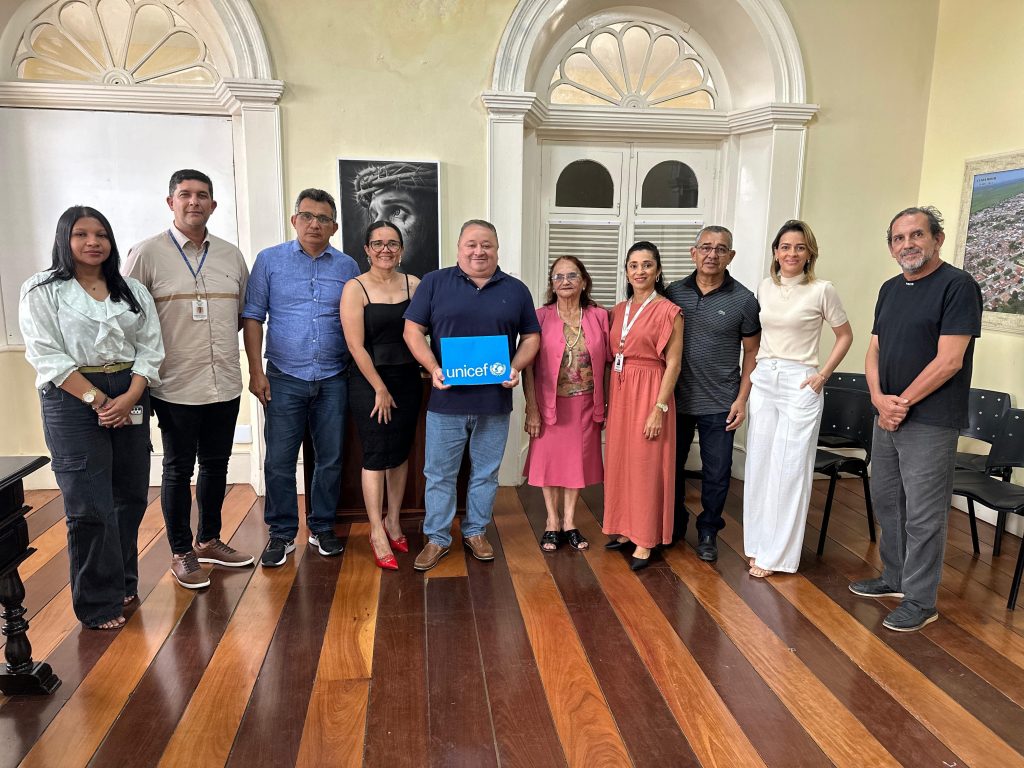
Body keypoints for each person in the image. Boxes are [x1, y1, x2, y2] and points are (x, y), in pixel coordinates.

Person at [19, 206, 163, 629]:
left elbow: (150, 347)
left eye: (101, 234)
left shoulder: (131, 289)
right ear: (64, 239)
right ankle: (98, 602)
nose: (93, 242)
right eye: (81, 234)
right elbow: (47, 354)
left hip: (130, 390)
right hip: (72, 398)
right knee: (89, 503)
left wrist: (130, 395)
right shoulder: (42, 290)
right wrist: (98, 400)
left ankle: (123, 581)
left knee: (130, 494)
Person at [849, 206, 982, 632]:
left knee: (924, 513)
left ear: (937, 239)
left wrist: (899, 403)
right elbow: (874, 348)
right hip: (887, 413)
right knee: (888, 500)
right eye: (899, 238)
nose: (907, 244)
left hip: (930, 419)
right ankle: (894, 577)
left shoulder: (958, 286)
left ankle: (921, 600)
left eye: (916, 235)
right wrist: (877, 398)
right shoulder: (889, 289)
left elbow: (950, 360)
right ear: (891, 248)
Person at [125, 169, 253, 591]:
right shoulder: (146, 254)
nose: (194, 201)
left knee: (217, 463)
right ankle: (181, 551)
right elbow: (128, 318)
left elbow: (241, 316)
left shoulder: (231, 255)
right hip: (174, 383)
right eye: (185, 194)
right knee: (178, 468)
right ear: (171, 202)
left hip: (224, 380)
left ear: (213, 204)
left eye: (202, 195)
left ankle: (209, 539)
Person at [403, 219, 540, 571]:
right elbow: (412, 331)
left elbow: (531, 337)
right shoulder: (434, 282)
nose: (479, 251)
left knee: (486, 473)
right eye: (472, 244)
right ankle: (437, 538)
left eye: (487, 245)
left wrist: (515, 367)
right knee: (439, 474)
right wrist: (433, 367)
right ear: (459, 247)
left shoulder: (516, 290)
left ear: (497, 249)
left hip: (494, 403)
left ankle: (476, 531)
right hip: (446, 402)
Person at [242, 189, 360, 567]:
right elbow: (253, 316)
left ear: (334, 227)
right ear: (294, 221)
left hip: (333, 376)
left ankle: (322, 527)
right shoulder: (269, 260)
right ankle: (281, 533)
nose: (314, 224)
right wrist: (255, 371)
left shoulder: (348, 267)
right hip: (283, 376)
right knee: (279, 460)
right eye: (307, 216)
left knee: (330, 457)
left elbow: (358, 319)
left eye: (323, 218)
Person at [743, 220, 853, 578]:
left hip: (800, 382)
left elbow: (845, 336)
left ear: (810, 253)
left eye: (800, 247)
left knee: (789, 469)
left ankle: (777, 556)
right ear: (776, 252)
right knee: (760, 464)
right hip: (765, 378)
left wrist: (823, 375)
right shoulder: (764, 287)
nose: (792, 253)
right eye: (786, 247)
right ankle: (758, 545)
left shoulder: (822, 290)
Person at [665, 226, 760, 562]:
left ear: (730, 256)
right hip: (676, 399)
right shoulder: (673, 293)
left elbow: (752, 352)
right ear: (693, 253)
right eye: (706, 247)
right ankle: (674, 524)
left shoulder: (744, 300)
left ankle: (708, 531)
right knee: (670, 468)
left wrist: (742, 399)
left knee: (717, 472)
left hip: (721, 401)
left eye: (721, 249)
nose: (712, 254)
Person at [340, 221, 422, 570]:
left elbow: (426, 332)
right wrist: (379, 387)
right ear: (367, 250)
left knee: (400, 453)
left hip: (407, 379)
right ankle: (376, 530)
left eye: (392, 243)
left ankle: (393, 520)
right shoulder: (355, 287)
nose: (385, 249)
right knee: (376, 454)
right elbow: (355, 346)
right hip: (369, 381)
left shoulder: (415, 284)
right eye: (378, 243)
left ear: (401, 249)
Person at [603, 241, 684, 571]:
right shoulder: (617, 310)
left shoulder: (670, 311)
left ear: (658, 271)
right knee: (621, 461)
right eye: (634, 265)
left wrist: (659, 408)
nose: (640, 271)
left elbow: (674, 363)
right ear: (626, 272)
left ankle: (645, 538)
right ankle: (624, 527)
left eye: (647, 265)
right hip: (620, 390)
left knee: (647, 465)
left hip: (651, 389)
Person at [523, 256, 610, 552]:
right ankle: (552, 522)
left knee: (577, 463)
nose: (565, 281)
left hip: (585, 403)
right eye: (558, 276)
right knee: (549, 463)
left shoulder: (599, 316)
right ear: (552, 284)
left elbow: (609, 364)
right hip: (549, 403)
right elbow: (528, 367)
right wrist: (532, 407)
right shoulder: (539, 316)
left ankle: (570, 522)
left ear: (583, 282)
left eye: (572, 275)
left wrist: (607, 404)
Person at [351, 162, 438, 278]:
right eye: (375, 215)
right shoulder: (356, 285)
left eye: (397, 212)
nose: (379, 229)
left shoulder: (417, 284)